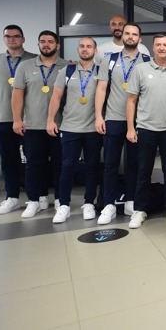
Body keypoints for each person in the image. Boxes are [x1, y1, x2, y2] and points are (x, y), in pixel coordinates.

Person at [125, 34, 166, 229]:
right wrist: (130, 128)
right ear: (153, 47)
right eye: (158, 44)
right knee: (143, 171)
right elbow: (131, 100)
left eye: (165, 45)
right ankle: (139, 210)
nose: (162, 48)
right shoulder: (140, 69)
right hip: (145, 128)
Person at [94, 22, 151, 224]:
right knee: (110, 164)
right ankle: (108, 204)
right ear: (122, 36)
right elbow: (101, 88)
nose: (130, 37)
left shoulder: (146, 61)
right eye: (127, 33)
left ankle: (131, 201)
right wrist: (98, 116)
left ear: (139, 39)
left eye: (134, 34)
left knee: (135, 164)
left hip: (138, 121)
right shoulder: (110, 60)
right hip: (113, 118)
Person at [11, 30, 68, 218]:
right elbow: (17, 95)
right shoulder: (25, 66)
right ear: (38, 44)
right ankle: (35, 200)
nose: (46, 44)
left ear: (57, 45)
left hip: (60, 125)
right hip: (33, 125)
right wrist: (17, 119)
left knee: (60, 164)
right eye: (43, 41)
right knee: (34, 164)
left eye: (50, 41)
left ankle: (60, 199)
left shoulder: (67, 66)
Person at [46, 37, 102, 223]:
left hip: (93, 128)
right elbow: (56, 97)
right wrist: (50, 120)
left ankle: (89, 203)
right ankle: (64, 205)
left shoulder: (101, 71)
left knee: (92, 167)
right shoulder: (67, 71)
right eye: (82, 46)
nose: (85, 49)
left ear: (95, 50)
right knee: (67, 166)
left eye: (89, 46)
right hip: (70, 127)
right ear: (78, 49)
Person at [0, 25, 37, 214]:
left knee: (33, 160)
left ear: (23, 39)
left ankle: (35, 197)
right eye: (8, 36)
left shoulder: (33, 59)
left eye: (16, 36)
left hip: (30, 118)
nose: (12, 39)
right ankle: (12, 197)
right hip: (3, 117)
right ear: (4, 39)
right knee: (9, 160)